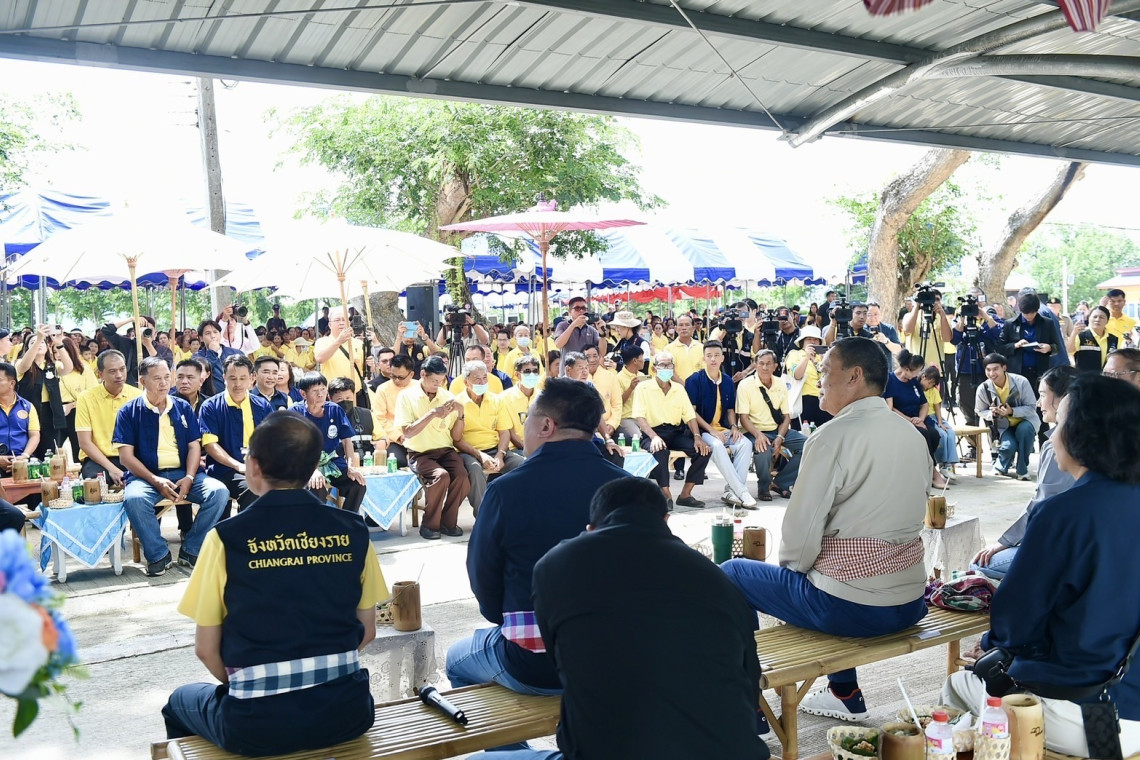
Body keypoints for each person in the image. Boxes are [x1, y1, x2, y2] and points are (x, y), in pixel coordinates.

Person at [481, 478, 768, 760]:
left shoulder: (555, 565)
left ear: (591, 528)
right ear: (666, 519)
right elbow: (749, 677)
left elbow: (562, 663)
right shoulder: (716, 577)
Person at [722, 338, 930, 723]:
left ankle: (746, 704)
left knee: (733, 573)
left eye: (826, 371)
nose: (818, 380)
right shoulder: (912, 435)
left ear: (854, 376)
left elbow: (799, 539)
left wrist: (797, 573)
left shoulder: (832, 436)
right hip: (912, 600)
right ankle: (843, 691)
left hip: (856, 609)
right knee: (828, 575)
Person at [162, 412, 387, 756]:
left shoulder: (225, 538)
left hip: (256, 725)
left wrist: (261, 688)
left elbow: (206, 650)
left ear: (253, 466)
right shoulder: (354, 530)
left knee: (179, 702)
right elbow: (367, 632)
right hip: (348, 713)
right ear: (313, 467)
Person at [942, 374, 1140, 759]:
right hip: (1129, 702)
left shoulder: (1064, 513)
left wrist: (991, 646)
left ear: (1084, 434)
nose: (1052, 433)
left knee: (958, 687)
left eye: (1060, 422)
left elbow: (1016, 621)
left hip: (1090, 716)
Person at [447, 379, 628, 719]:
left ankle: (512, 747)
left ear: (546, 426)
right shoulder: (625, 486)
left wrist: (504, 620)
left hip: (533, 664)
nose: (523, 429)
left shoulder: (506, 490)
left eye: (527, 419)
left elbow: (483, 576)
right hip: (614, 654)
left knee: (456, 661)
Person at [113, 357, 229, 576]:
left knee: (219, 492)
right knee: (134, 499)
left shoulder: (182, 407)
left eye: (167, 377)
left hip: (183, 472)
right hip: (146, 476)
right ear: (142, 381)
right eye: (157, 378)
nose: (164, 383)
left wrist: (190, 477)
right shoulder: (129, 411)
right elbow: (126, 458)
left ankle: (191, 549)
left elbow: (194, 447)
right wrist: (155, 480)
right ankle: (158, 554)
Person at [971, 365, 1077, 580]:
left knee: (979, 565)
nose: (1039, 403)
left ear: (1064, 398)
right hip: (1081, 540)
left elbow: (1043, 504)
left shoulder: (1060, 444)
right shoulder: (1101, 436)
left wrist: (1005, 541)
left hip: (1064, 547)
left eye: (1043, 395)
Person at [394, 355, 470, 540]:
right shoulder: (406, 396)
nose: (438, 384)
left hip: (445, 450)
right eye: (434, 380)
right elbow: (407, 432)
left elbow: (456, 436)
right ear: (423, 374)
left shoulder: (447, 396)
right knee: (440, 477)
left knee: (462, 477)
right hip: (419, 453)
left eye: (441, 380)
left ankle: (448, 522)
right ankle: (430, 525)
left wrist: (460, 413)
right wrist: (432, 414)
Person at [632, 351, 712, 510]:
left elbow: (690, 416)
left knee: (704, 451)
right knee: (660, 451)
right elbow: (639, 417)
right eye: (662, 365)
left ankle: (685, 495)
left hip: (676, 432)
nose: (666, 368)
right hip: (652, 433)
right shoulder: (643, 388)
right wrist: (654, 437)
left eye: (669, 365)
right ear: (654, 368)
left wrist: (697, 436)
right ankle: (666, 495)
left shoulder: (679, 389)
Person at [685, 341, 757, 508]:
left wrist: (734, 427)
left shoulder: (727, 381)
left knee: (745, 444)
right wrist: (711, 430)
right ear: (703, 358)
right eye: (709, 355)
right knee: (717, 446)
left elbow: (730, 409)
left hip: (723, 429)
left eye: (717, 355)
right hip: (702, 431)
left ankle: (731, 491)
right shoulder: (694, 380)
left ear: (722, 358)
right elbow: (691, 413)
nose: (713, 359)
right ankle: (742, 492)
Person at [199, 355, 273, 515]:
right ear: (224, 377)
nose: (238, 384)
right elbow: (210, 445)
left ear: (252, 378)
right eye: (232, 378)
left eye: (243, 378)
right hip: (224, 469)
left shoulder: (262, 405)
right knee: (253, 489)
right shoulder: (210, 406)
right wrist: (238, 465)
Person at [454, 360, 525, 517]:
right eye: (477, 379)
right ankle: (483, 517)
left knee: (523, 465)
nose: (482, 382)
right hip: (468, 451)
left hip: (494, 449)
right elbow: (456, 439)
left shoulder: (496, 400)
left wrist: (501, 454)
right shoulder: (457, 403)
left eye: (484, 378)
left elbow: (504, 432)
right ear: (466, 382)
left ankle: (519, 514)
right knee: (474, 470)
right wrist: (480, 455)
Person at [736, 349, 807, 502]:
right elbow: (743, 418)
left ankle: (781, 482)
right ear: (755, 365)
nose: (765, 367)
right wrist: (758, 435)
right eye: (761, 363)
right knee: (763, 450)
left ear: (775, 366)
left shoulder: (781, 383)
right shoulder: (745, 385)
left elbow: (786, 416)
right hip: (753, 430)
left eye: (769, 364)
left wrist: (780, 436)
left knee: (809, 445)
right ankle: (764, 487)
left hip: (776, 429)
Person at [289, 372, 367, 513]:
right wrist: (313, 471)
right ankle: (318, 524)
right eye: (315, 391)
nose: (320, 394)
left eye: (323, 389)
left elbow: (347, 440)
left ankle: (346, 521)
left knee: (358, 484)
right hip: (303, 464)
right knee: (316, 486)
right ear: (303, 394)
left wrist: (351, 467)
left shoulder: (335, 409)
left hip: (331, 461)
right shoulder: (295, 412)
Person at [884, 349, 948, 489]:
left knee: (934, 434)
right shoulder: (890, 380)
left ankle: (927, 468)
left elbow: (924, 404)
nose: (918, 375)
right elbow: (890, 407)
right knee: (923, 434)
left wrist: (920, 419)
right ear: (907, 370)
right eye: (916, 372)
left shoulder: (914, 382)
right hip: (900, 419)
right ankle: (933, 472)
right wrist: (911, 420)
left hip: (919, 419)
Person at [76, 350, 143, 483]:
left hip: (131, 457)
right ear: (100, 374)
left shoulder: (138, 396)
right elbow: (84, 443)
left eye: (122, 369)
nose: (119, 375)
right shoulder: (86, 398)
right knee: (95, 483)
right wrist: (112, 469)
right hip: (99, 460)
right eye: (112, 371)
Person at [975, 353, 1040, 480]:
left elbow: (1032, 407)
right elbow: (979, 410)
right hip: (1003, 425)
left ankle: (1022, 470)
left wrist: (1012, 411)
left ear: (1004, 368)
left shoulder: (1021, 382)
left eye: (995, 369)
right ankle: (1001, 466)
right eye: (988, 370)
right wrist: (991, 414)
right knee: (1008, 447)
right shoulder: (983, 388)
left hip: (1025, 421)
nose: (992, 373)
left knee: (1025, 431)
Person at [15, 325, 72, 457]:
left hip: (50, 411)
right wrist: (39, 338)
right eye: (32, 342)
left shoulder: (53, 365)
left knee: (49, 451)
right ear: (27, 348)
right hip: (28, 410)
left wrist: (59, 343)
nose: (38, 344)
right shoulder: (21, 363)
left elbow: (68, 368)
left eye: (42, 342)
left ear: (47, 347)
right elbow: (24, 366)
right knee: (30, 448)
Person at [950, 296, 1003, 433]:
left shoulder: (988, 319)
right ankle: (973, 442)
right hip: (965, 372)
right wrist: (962, 320)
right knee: (968, 411)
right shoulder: (959, 320)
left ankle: (994, 441)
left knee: (990, 410)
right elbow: (954, 340)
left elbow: (1000, 334)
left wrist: (984, 315)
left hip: (985, 372)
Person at [999, 291, 1061, 406]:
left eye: (1032, 313)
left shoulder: (1047, 323)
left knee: (1040, 404)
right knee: (1018, 403)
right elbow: (1000, 347)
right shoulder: (1010, 324)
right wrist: (1015, 345)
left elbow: (1057, 347)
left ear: (1037, 310)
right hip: (1017, 372)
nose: (1028, 316)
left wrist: (1049, 348)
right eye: (1025, 313)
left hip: (1040, 371)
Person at [315, 312, 371, 406]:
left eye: (344, 320)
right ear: (330, 325)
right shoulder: (322, 342)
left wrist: (371, 365)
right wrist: (338, 341)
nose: (341, 323)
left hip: (355, 394)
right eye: (337, 320)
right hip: (334, 395)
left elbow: (365, 370)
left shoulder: (358, 343)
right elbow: (320, 358)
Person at [785, 325, 833, 430]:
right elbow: (797, 375)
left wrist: (824, 361)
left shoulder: (823, 357)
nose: (812, 342)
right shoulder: (795, 354)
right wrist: (807, 357)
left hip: (824, 399)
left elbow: (831, 377)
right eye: (809, 339)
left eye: (816, 339)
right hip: (803, 400)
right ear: (802, 341)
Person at [372, 354, 415, 467]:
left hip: (418, 437)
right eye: (393, 376)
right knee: (398, 461)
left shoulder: (419, 387)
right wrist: (399, 436)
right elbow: (379, 419)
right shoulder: (383, 389)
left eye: (401, 377)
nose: (396, 380)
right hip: (394, 438)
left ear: (411, 374)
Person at [0, 362, 40, 475]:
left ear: (12, 383)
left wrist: (24, 456)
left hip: (22, 459)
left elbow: (34, 435)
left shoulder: (28, 407)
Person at [899, 288, 953, 370]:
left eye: (936, 299)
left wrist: (942, 315)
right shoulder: (910, 316)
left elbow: (947, 339)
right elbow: (908, 330)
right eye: (929, 298)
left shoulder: (943, 319)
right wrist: (917, 305)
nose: (932, 302)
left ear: (941, 302)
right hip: (914, 369)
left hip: (935, 369)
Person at [328, 376, 380, 459]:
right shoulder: (324, 417)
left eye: (348, 398)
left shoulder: (368, 414)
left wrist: (381, 443)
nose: (345, 401)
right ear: (330, 398)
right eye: (339, 399)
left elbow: (382, 438)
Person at [499, 355, 541, 451]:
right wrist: (528, 449)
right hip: (516, 448)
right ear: (517, 375)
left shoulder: (543, 397)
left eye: (535, 371)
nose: (532, 375)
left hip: (540, 447)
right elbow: (510, 432)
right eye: (527, 371)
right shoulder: (504, 398)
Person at [101, 315, 156, 386]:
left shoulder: (162, 349)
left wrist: (148, 345)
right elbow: (106, 330)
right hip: (130, 387)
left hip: (151, 388)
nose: (147, 332)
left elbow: (162, 366)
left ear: (155, 331)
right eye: (143, 329)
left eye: (150, 329)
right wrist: (131, 319)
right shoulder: (126, 344)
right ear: (135, 331)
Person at [194, 320, 242, 396]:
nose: (213, 336)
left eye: (215, 332)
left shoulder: (236, 353)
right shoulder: (197, 356)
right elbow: (201, 373)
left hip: (236, 396)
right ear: (201, 338)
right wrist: (212, 352)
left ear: (220, 334)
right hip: (210, 398)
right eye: (208, 333)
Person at [1067, 305, 1117, 372]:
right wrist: (1074, 333)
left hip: (1105, 377)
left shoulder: (1113, 339)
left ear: (1107, 321)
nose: (1097, 320)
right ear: (1089, 318)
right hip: (1084, 376)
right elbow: (1069, 351)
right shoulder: (1081, 336)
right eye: (1094, 317)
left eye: (1101, 317)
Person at [553, 297, 602, 364]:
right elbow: (558, 344)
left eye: (584, 308)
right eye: (577, 308)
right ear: (570, 311)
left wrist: (602, 334)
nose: (581, 311)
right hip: (568, 368)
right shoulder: (562, 325)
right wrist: (573, 325)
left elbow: (601, 352)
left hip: (585, 368)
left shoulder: (592, 330)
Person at [614, 344, 648, 441]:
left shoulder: (642, 375)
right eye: (642, 357)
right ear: (635, 360)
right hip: (627, 417)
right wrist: (630, 388)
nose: (644, 360)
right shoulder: (618, 378)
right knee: (638, 438)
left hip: (643, 416)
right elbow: (618, 402)